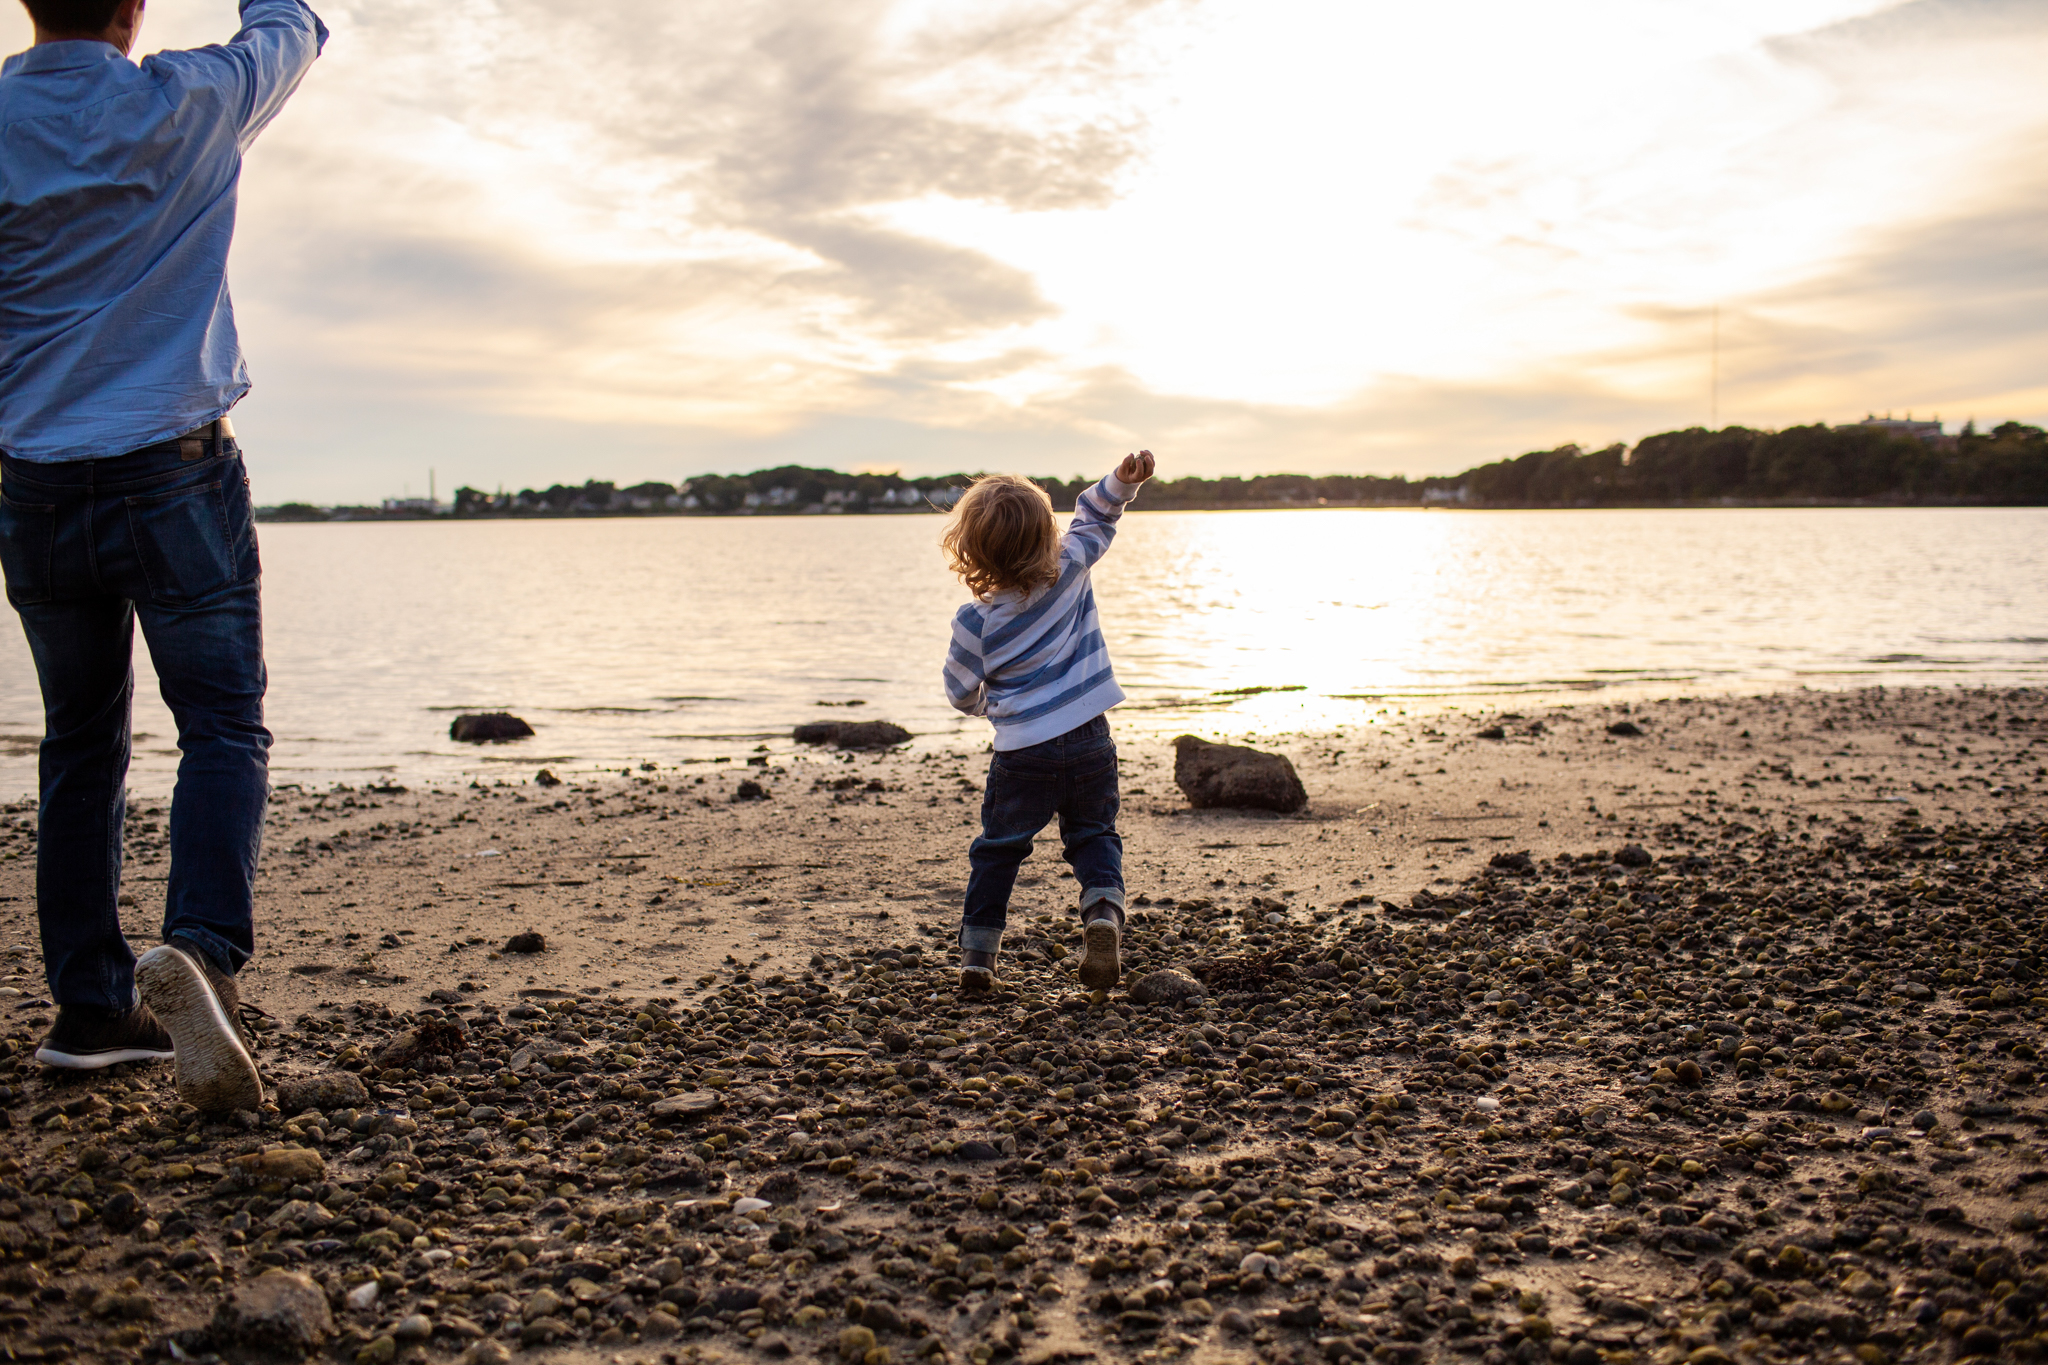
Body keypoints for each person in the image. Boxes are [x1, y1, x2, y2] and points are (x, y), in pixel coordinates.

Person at [0, 0, 325, 1109]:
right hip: (174, 471)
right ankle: (200, 961)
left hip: (34, 479)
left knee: (79, 745)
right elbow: (294, 24)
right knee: (222, 725)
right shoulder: (194, 99)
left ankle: (92, 1010)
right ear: (133, 9)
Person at [940, 450, 1156, 994]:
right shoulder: (1071, 568)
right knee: (1093, 835)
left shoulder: (975, 620)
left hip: (1022, 753)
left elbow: (960, 691)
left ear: (972, 549)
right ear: (1047, 536)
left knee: (999, 848)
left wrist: (1001, 710)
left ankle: (978, 958)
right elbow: (1097, 519)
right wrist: (1120, 482)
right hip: (1089, 739)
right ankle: (1102, 915)